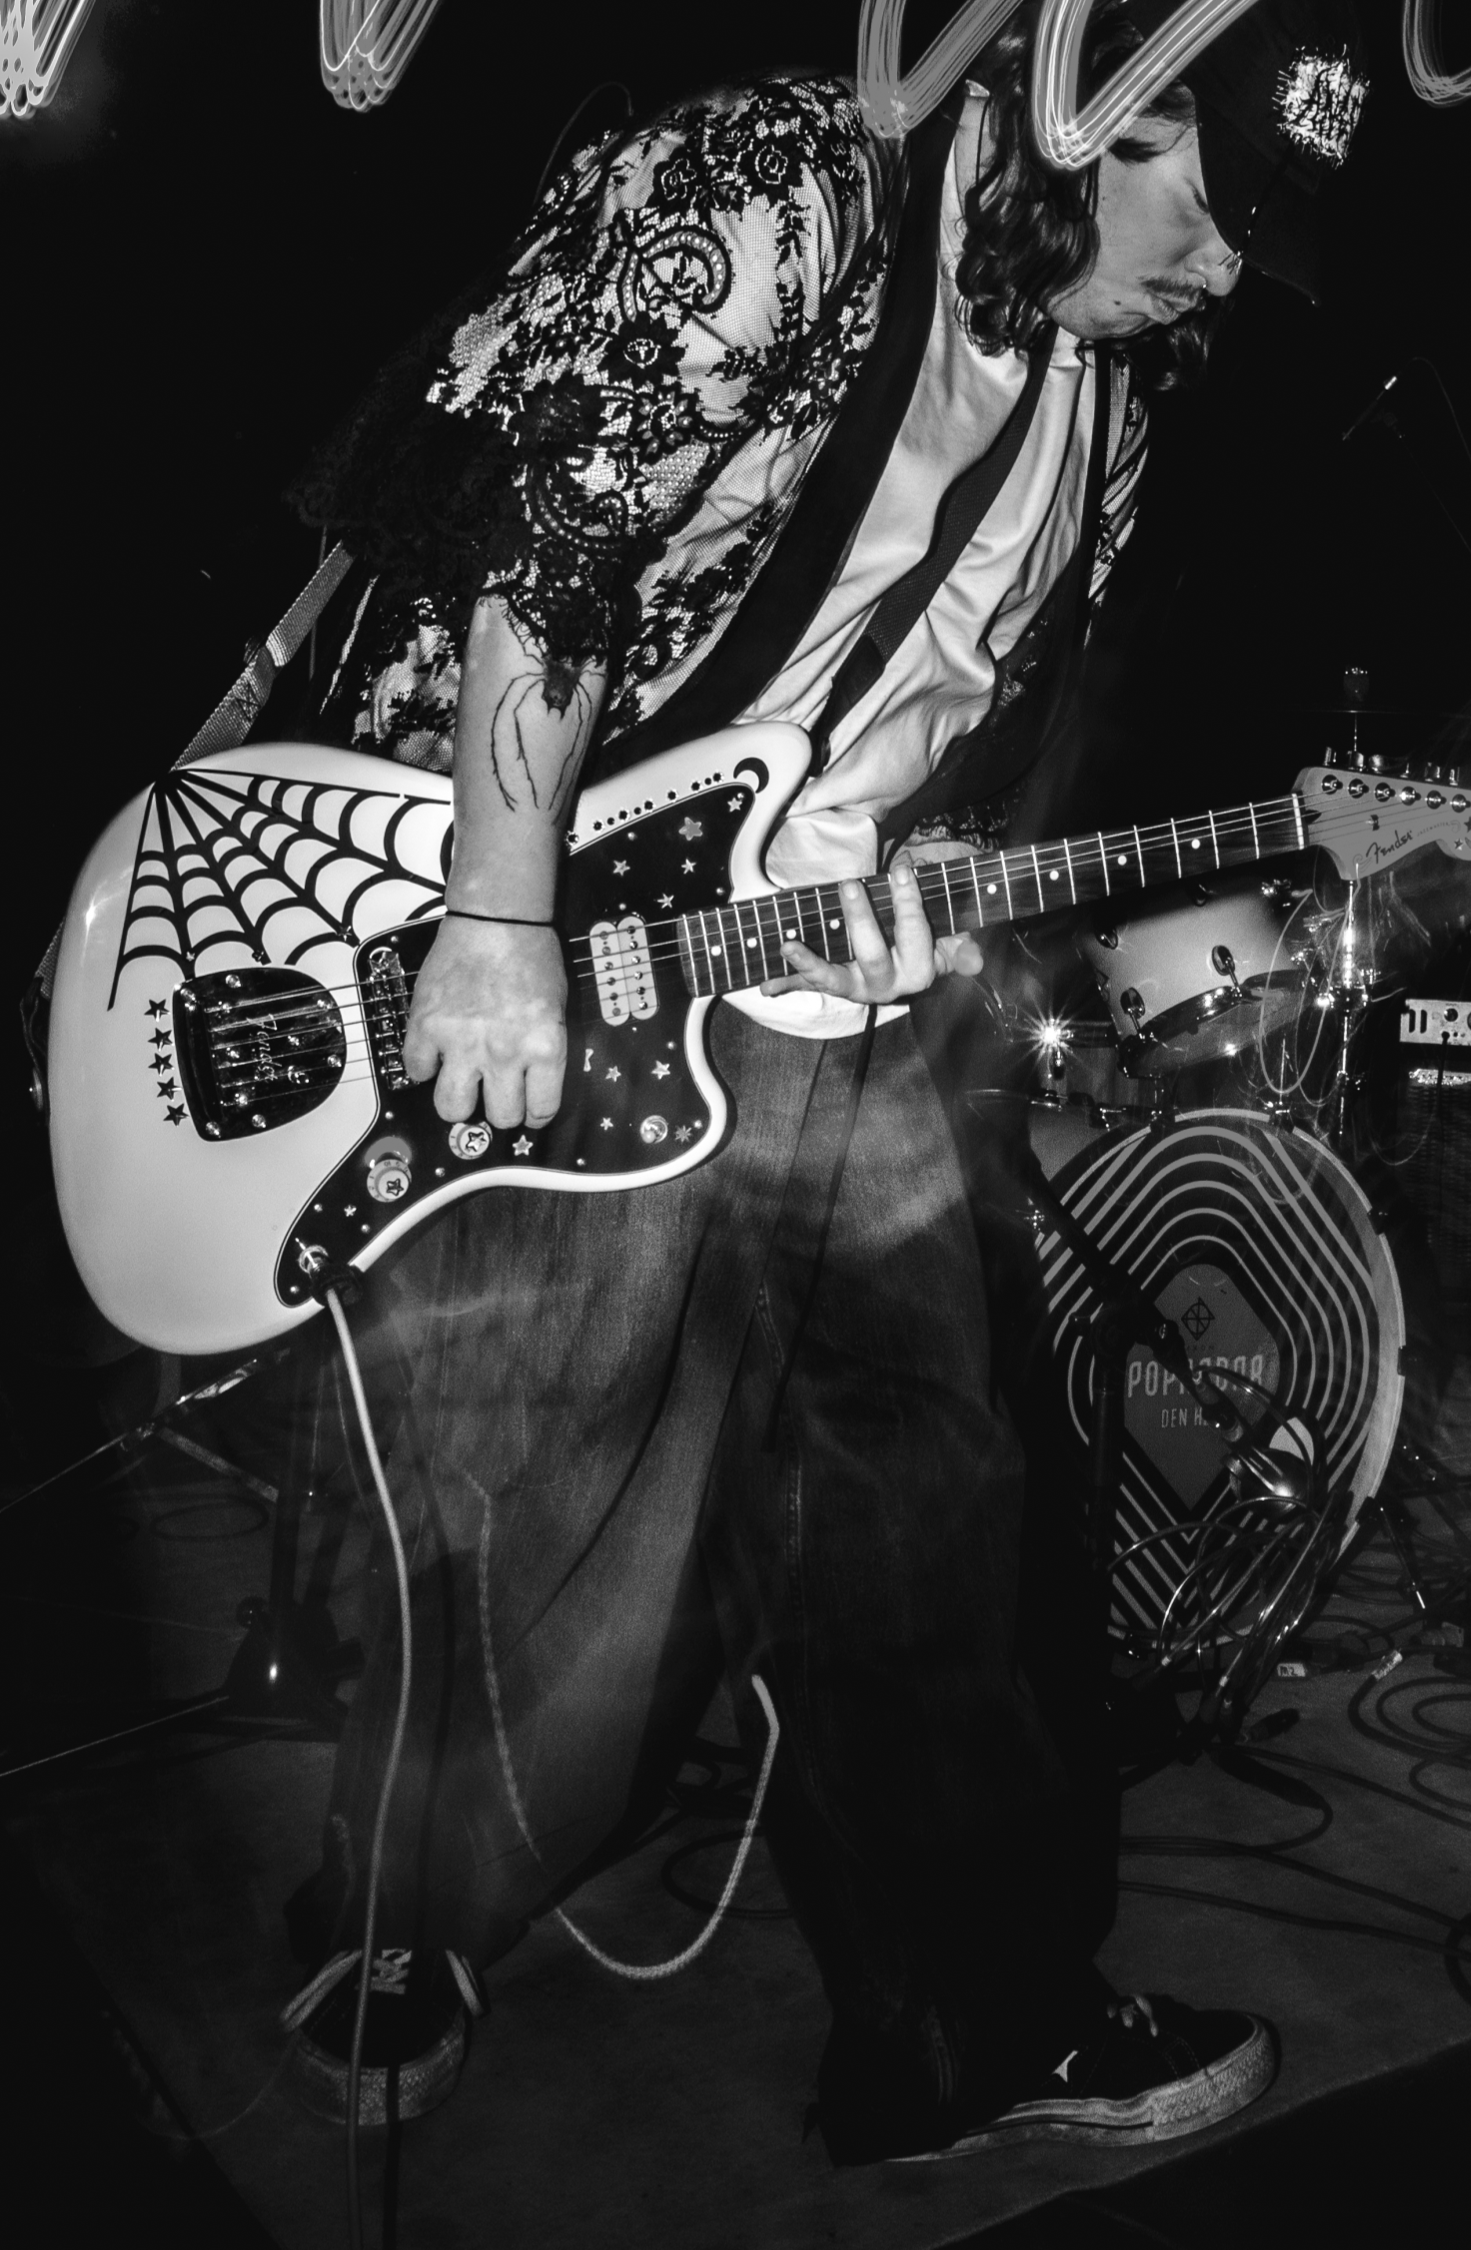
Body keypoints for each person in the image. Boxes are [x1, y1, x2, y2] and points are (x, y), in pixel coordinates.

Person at [275, 0, 1371, 2162]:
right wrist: (496, 912)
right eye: (1203, 205)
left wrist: (932, 883)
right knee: (547, 1478)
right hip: (554, 933)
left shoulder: (1103, 403)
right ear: (1083, 105)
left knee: (938, 1500)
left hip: (823, 995)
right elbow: (547, 512)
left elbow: (955, 714)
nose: (1219, 270)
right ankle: (393, 1920)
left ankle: (972, 2018)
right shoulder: (789, 181)